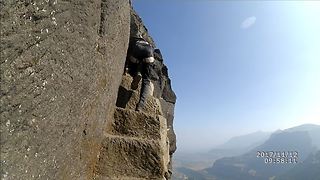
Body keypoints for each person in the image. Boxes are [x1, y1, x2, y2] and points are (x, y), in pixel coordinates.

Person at [126, 35, 155, 111]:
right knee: (146, 80)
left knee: (132, 69)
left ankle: (136, 75)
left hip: (137, 50)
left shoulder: (134, 40)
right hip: (149, 52)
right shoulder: (148, 44)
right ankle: (140, 105)